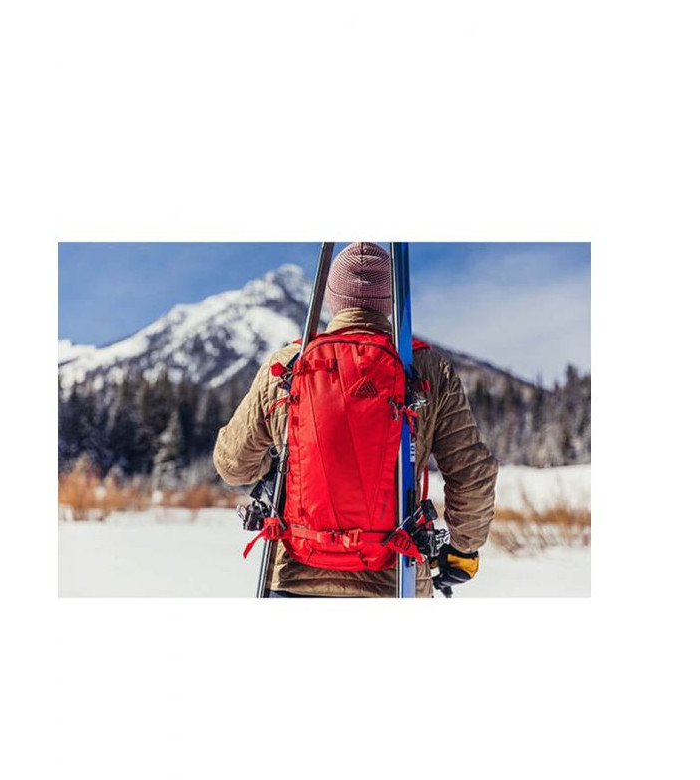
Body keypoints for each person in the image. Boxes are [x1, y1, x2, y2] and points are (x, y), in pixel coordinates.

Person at [213, 243, 499, 597]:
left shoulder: (287, 364)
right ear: (389, 301)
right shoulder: (426, 368)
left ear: (332, 298)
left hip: (292, 576)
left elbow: (233, 465)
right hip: (395, 576)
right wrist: (463, 549)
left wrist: (280, 464)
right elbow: (471, 472)